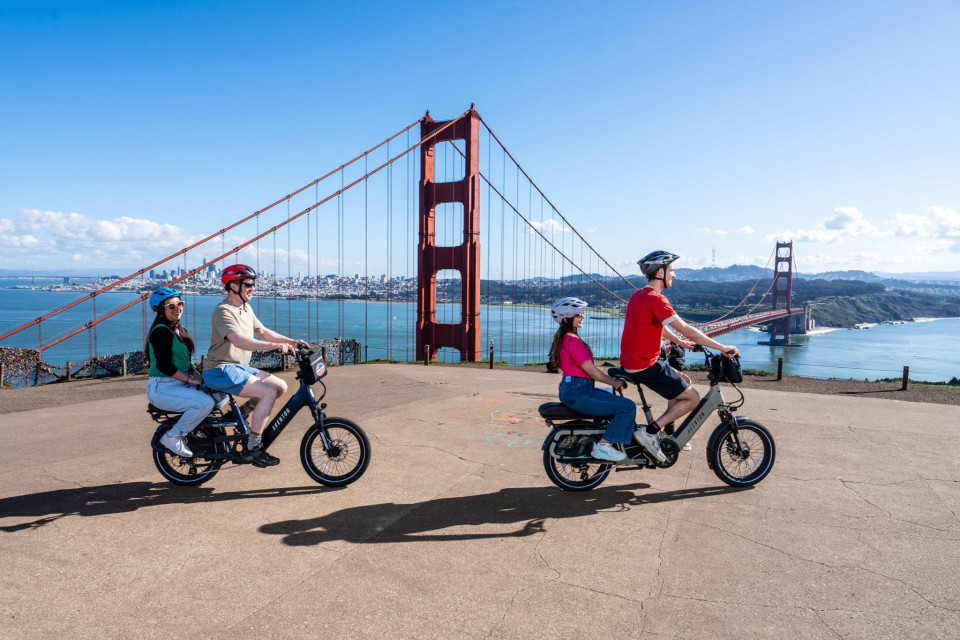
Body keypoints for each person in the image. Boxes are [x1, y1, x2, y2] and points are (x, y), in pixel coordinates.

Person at [620, 251, 740, 458]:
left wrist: (678, 341)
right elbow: (687, 329)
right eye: (672, 271)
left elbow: (657, 325)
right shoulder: (657, 299)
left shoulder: (639, 296)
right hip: (644, 365)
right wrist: (722, 348)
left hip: (634, 362)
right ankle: (649, 433)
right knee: (693, 398)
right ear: (660, 272)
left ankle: (669, 435)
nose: (674, 275)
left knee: (684, 379)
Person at [201, 264, 306, 468]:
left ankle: (240, 414)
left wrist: (293, 342)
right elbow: (239, 341)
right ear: (233, 286)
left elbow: (264, 332)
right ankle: (253, 447)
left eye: (253, 284)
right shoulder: (223, 311)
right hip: (220, 369)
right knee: (267, 392)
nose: (252, 288)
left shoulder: (245, 308)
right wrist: (275, 346)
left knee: (280, 387)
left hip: (240, 367)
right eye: (248, 284)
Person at [549, 297, 661, 463]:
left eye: (582, 314)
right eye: (578, 314)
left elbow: (570, 369)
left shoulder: (564, 338)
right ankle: (603, 446)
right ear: (566, 319)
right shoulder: (572, 340)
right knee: (628, 407)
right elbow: (592, 372)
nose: (582, 317)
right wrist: (614, 382)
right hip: (580, 392)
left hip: (574, 390)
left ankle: (599, 437)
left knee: (610, 397)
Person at [145, 287, 219, 458]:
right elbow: (165, 366)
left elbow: (187, 359)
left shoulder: (178, 328)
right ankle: (173, 436)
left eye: (180, 303)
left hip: (180, 384)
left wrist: (197, 374)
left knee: (218, 394)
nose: (177, 308)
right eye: (170, 305)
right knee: (204, 403)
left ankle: (204, 434)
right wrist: (190, 379)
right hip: (163, 388)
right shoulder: (161, 331)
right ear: (159, 309)